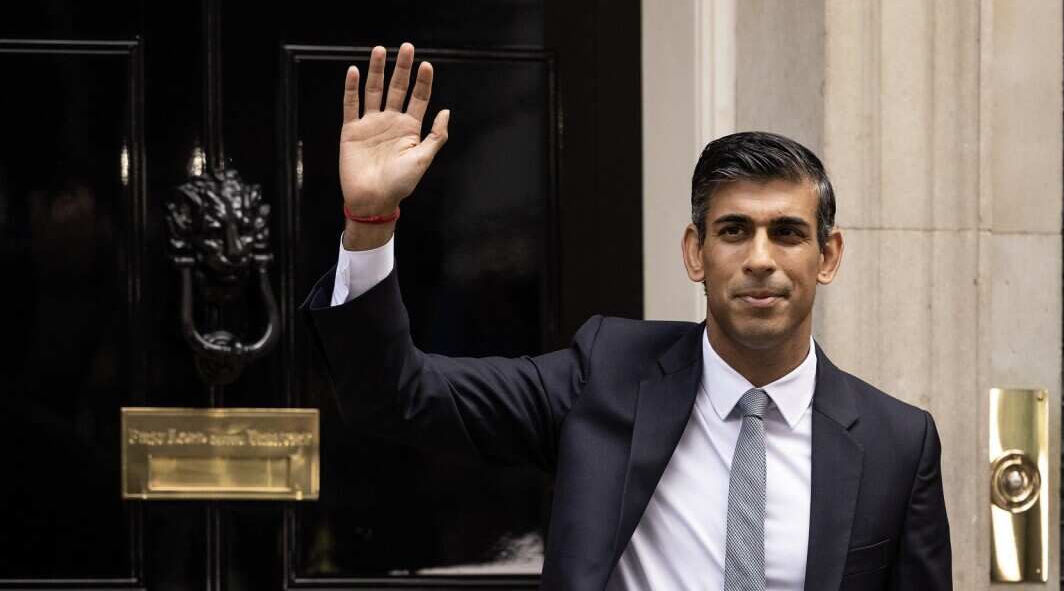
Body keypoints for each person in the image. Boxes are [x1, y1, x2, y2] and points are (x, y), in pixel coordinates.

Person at [301, 43, 952, 590]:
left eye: (786, 233)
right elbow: (398, 397)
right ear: (696, 253)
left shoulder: (897, 444)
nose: (760, 260)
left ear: (827, 255)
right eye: (733, 231)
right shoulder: (604, 377)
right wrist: (369, 222)